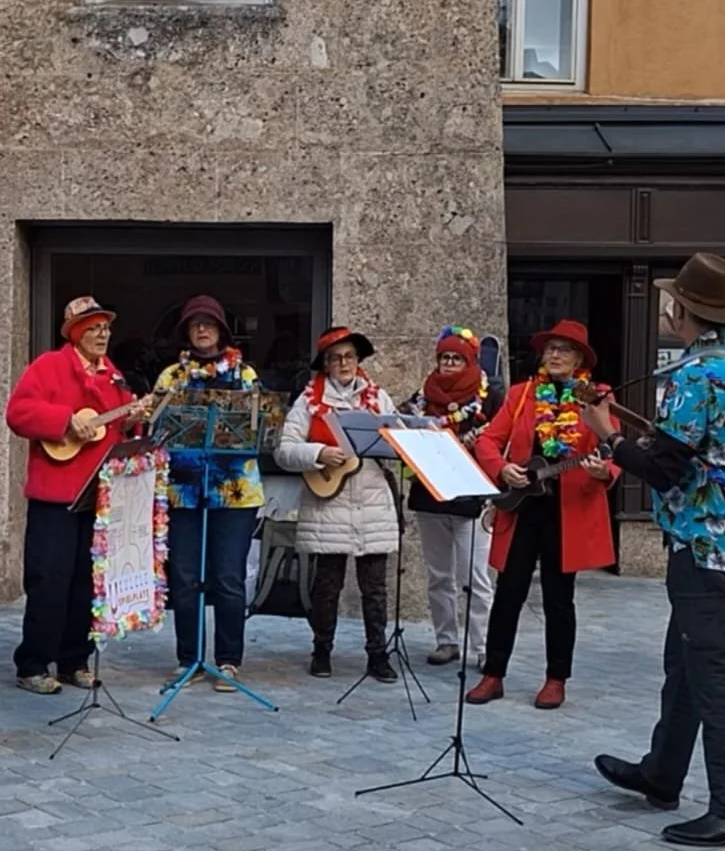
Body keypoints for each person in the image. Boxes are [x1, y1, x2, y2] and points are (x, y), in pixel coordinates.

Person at [583, 252, 725, 848]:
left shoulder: (695, 376)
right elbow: (706, 449)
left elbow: (665, 471)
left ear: (679, 309)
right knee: (685, 662)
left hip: (704, 543)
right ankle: (662, 772)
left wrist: (609, 435)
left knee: (713, 674)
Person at [464, 319, 618, 711]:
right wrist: (501, 468)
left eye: (563, 350)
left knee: (559, 599)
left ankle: (555, 678)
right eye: (550, 348)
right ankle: (493, 674)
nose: (554, 355)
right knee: (508, 592)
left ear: (580, 358)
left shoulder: (596, 396)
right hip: (522, 508)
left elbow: (613, 447)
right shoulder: (521, 395)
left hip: (567, 511)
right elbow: (488, 441)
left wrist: (606, 470)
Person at [4, 296, 152, 694]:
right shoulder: (48, 366)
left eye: (105, 327)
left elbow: (118, 431)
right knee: (49, 579)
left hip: (99, 496)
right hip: (56, 495)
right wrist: (65, 421)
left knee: (88, 583)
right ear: (74, 332)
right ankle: (33, 663)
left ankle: (74, 659)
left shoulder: (115, 377)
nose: (102, 334)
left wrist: (134, 419)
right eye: (93, 327)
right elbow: (17, 413)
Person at [151, 295, 265, 691]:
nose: (202, 329)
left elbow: (259, 430)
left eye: (209, 323)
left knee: (229, 577)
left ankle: (229, 661)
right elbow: (155, 432)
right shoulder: (171, 377)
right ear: (186, 332)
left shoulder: (244, 375)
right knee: (183, 577)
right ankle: (190, 658)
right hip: (184, 490)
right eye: (195, 324)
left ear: (221, 331)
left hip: (234, 493)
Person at [276, 326, 402, 682]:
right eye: (335, 358)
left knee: (375, 587)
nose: (344, 363)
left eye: (349, 356)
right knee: (327, 584)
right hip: (328, 502)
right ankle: (322, 649)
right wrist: (319, 452)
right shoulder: (307, 401)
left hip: (373, 500)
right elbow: (284, 450)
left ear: (358, 360)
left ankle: (378, 654)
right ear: (325, 365)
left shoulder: (379, 398)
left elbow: (397, 441)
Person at [399, 325, 502, 668]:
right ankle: (446, 640)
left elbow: (501, 437)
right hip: (430, 497)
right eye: (444, 358)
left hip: (473, 499)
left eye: (457, 358)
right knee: (438, 575)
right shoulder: (422, 396)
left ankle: (484, 646)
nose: (448, 364)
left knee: (474, 577)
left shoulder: (490, 395)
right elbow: (402, 424)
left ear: (470, 361)